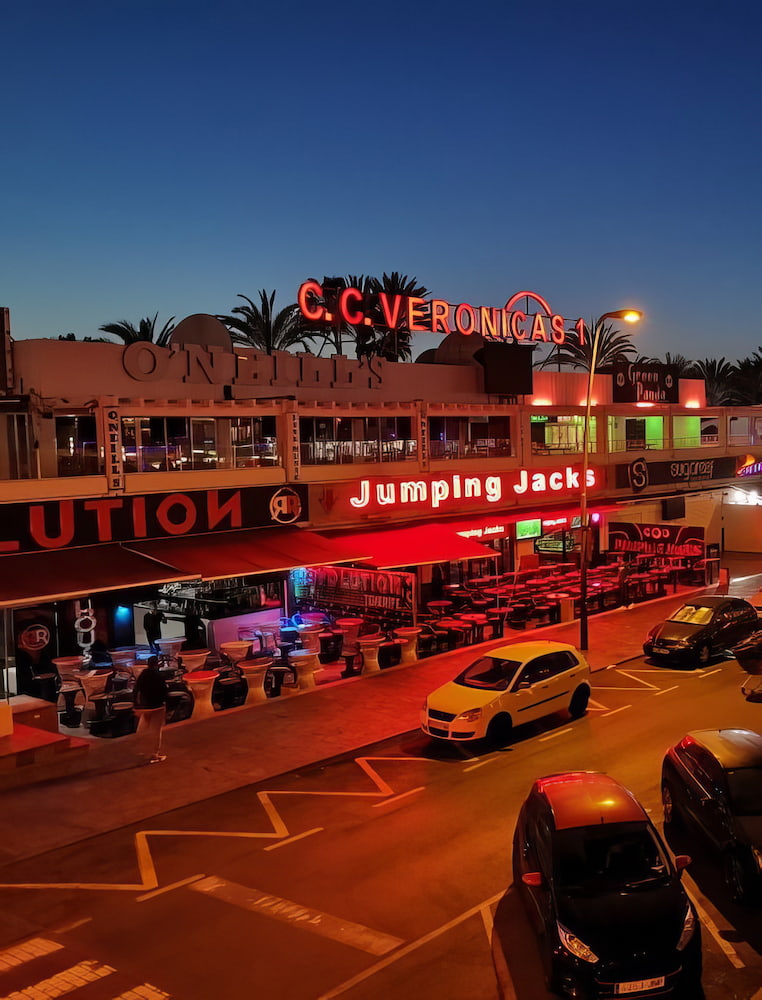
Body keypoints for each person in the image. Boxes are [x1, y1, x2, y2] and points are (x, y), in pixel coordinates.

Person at [133, 654, 169, 763]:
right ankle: (154, 754)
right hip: (157, 706)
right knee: (156, 731)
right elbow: (164, 691)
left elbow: (136, 689)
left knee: (143, 728)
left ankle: (143, 750)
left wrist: (136, 704)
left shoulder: (143, 674)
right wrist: (166, 703)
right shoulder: (158, 676)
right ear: (157, 664)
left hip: (145, 706)